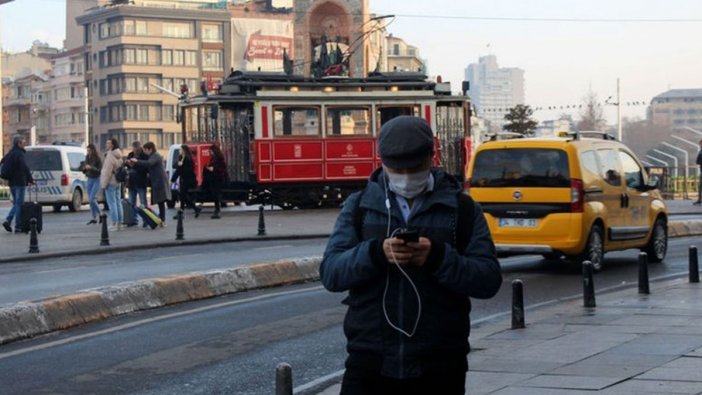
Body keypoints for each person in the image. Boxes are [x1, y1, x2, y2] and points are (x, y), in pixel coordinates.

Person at [320, 116, 502, 395]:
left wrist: (438, 258)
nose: (405, 177)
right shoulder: (360, 207)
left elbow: (488, 279)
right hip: (370, 359)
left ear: (432, 156)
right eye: (396, 169)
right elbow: (331, 273)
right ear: (382, 161)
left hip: (439, 364)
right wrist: (375, 254)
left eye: (414, 168)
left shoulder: (461, 210)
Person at [128, 141, 171, 226]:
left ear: (150, 149)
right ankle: (161, 219)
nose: (144, 152)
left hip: (160, 181)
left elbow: (148, 163)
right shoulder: (152, 156)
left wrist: (136, 161)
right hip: (157, 181)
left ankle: (162, 220)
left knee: (161, 202)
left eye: (145, 150)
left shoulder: (155, 156)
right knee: (160, 202)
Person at [1, 134, 34, 233]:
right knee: (19, 204)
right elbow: (24, 167)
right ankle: (15, 224)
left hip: (11, 182)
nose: (24, 144)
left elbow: (2, 162)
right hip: (20, 182)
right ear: (19, 143)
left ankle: (11, 221)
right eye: (23, 142)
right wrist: (30, 179)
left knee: (16, 203)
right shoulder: (19, 154)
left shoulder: (10, 153)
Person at [100, 138, 124, 231]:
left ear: (112, 145)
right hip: (118, 181)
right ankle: (120, 223)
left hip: (111, 181)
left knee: (112, 203)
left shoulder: (110, 156)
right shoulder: (119, 154)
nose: (106, 144)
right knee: (118, 202)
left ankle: (114, 223)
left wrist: (104, 184)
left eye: (108, 143)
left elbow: (107, 171)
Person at [171, 144, 201, 219]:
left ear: (184, 151)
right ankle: (192, 209)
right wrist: (179, 165)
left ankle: (190, 209)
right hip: (183, 180)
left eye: (180, 150)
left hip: (187, 180)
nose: (179, 151)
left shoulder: (188, 159)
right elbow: (177, 167)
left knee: (182, 196)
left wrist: (173, 179)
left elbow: (187, 170)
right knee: (182, 196)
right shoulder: (181, 158)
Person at [126, 141, 149, 226]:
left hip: (141, 181)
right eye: (133, 148)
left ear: (140, 148)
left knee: (143, 202)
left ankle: (146, 220)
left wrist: (134, 165)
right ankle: (133, 220)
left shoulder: (144, 156)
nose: (134, 150)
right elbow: (127, 165)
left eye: (136, 149)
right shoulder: (130, 154)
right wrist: (128, 163)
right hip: (131, 182)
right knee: (131, 202)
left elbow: (145, 169)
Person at [80, 143, 103, 225]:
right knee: (91, 200)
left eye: (89, 150)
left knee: (92, 198)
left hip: (96, 179)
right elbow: (84, 168)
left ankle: (101, 214)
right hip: (89, 179)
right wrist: (84, 168)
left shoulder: (97, 159)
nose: (88, 152)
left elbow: (99, 170)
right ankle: (94, 218)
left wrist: (91, 168)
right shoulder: (87, 157)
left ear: (93, 150)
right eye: (87, 150)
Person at [202, 144, 226, 219]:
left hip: (217, 179)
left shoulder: (220, 159)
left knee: (216, 195)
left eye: (211, 151)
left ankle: (217, 210)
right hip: (213, 179)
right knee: (215, 195)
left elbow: (222, 169)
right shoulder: (213, 158)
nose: (210, 152)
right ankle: (217, 209)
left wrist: (213, 169)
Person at [695, 139, 702, 205]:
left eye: (700, 144)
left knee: (700, 186)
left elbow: (697, 161)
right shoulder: (700, 151)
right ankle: (699, 199)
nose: (699, 145)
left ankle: (699, 199)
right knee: (700, 186)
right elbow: (697, 161)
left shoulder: (701, 152)